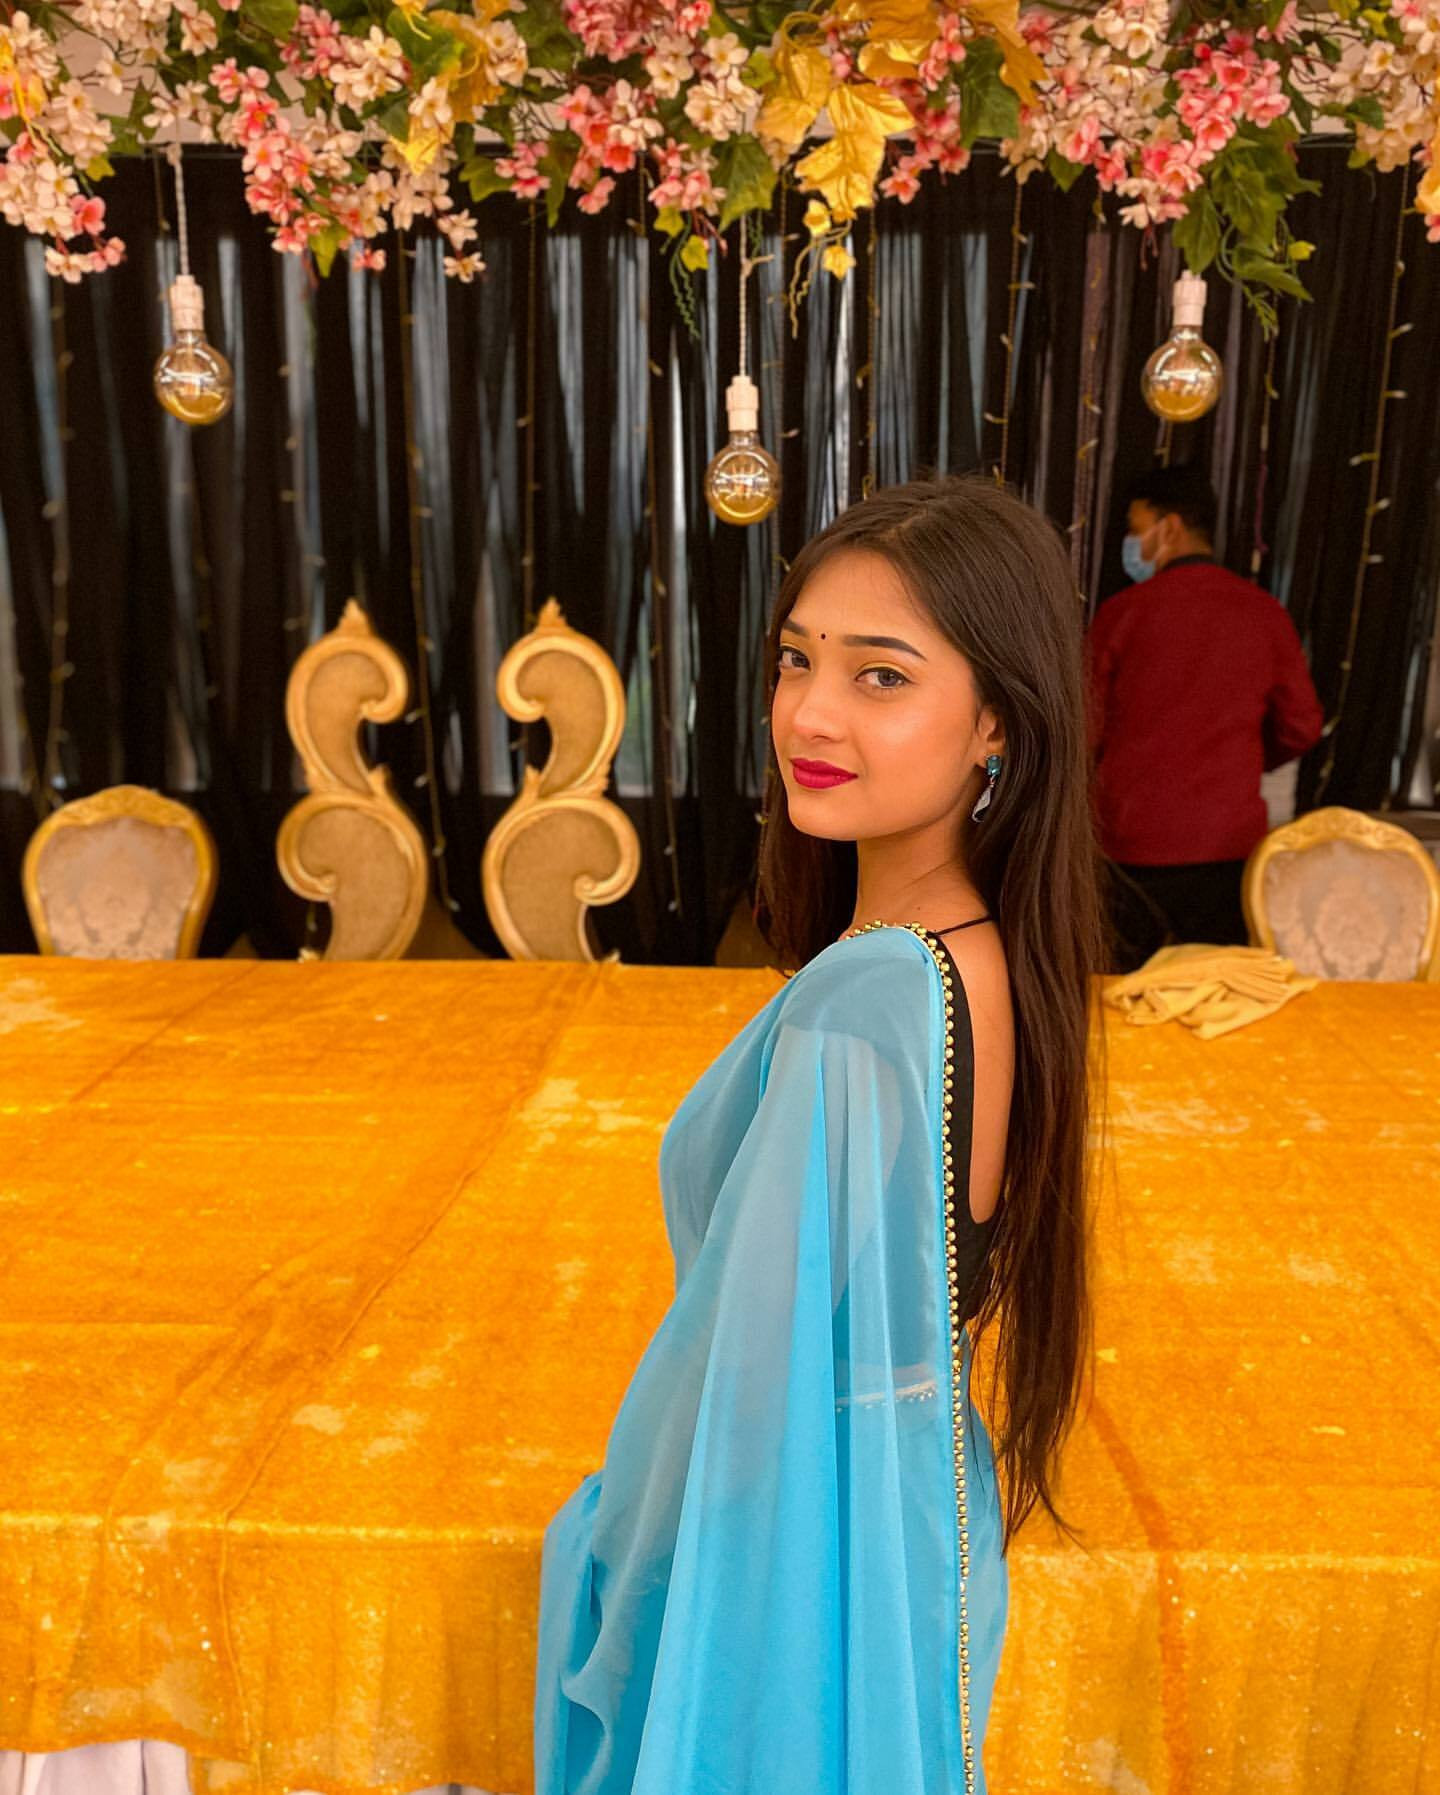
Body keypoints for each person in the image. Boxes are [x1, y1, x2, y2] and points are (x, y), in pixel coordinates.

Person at [534, 476, 1104, 1795]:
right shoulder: (986, 958)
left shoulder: (870, 1002)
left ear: (998, 724)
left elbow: (745, 1383)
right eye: (798, 659)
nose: (810, 713)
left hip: (803, 1553)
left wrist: (612, 1552)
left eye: (881, 676)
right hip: (900, 1507)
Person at [1087, 464, 1324, 970]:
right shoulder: (1264, 614)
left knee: (1123, 995)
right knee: (1217, 991)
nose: (1131, 542)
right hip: (1228, 848)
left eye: (1135, 528)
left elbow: (1084, 730)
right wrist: (1240, 756)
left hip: (1129, 845)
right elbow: (1302, 725)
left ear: (1169, 527)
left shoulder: (1122, 614)